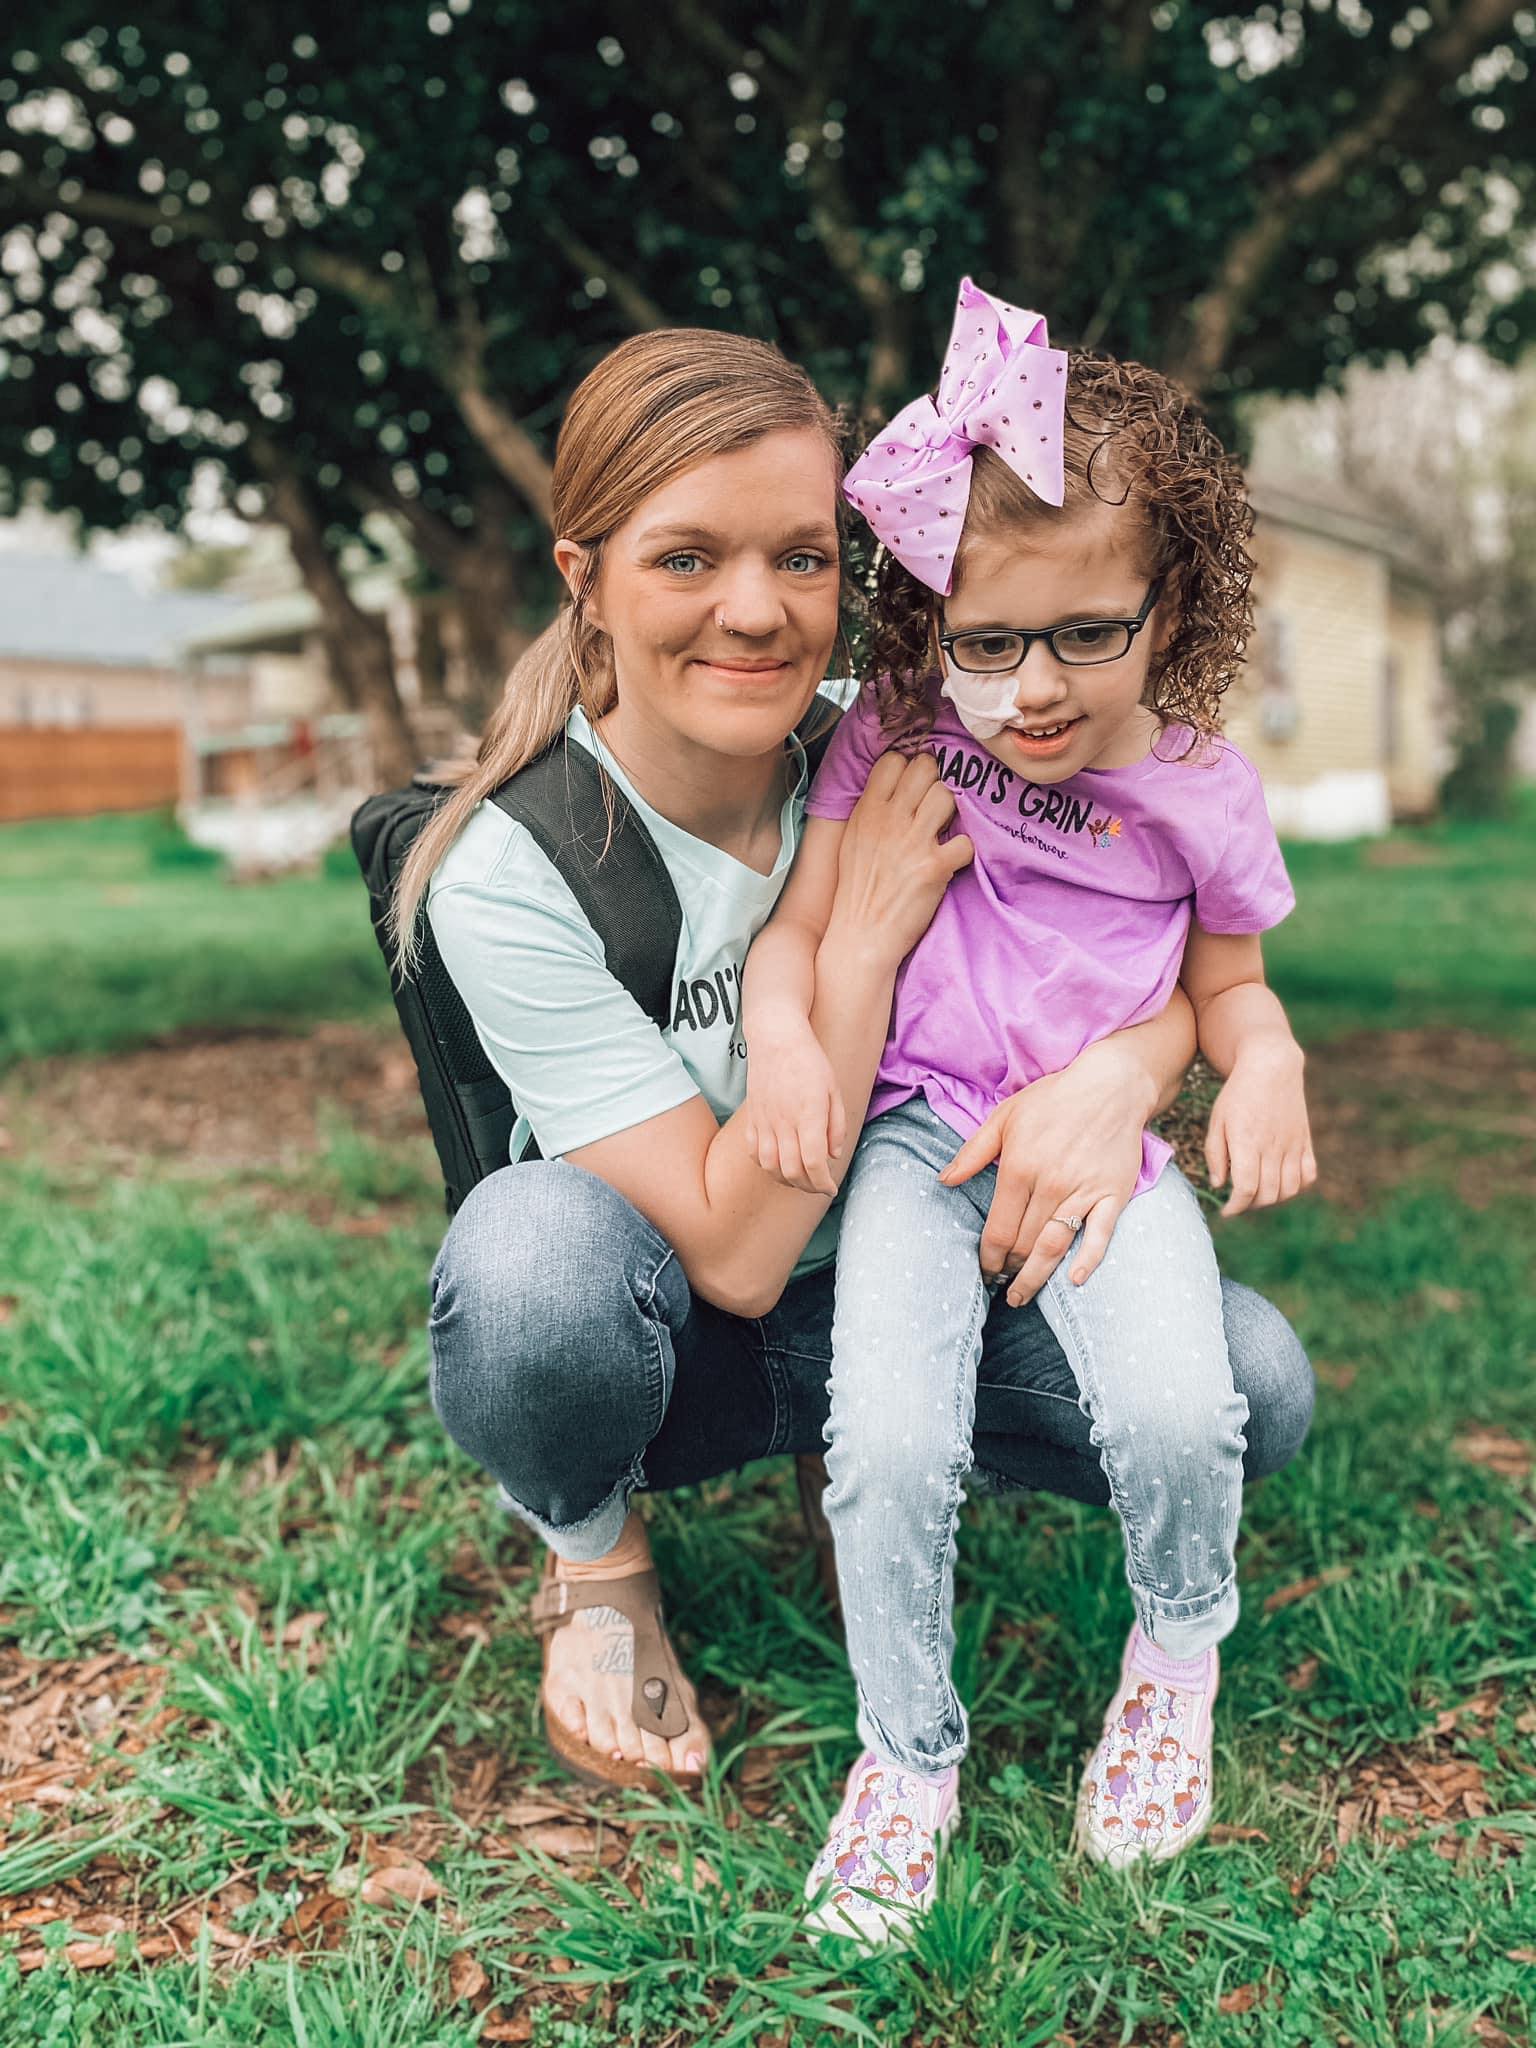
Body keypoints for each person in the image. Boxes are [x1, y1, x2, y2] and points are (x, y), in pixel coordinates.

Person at [393, 322, 1315, 1812]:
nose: (755, 610)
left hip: (920, 1253)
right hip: (683, 1320)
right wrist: (863, 951)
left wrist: (1124, 1079)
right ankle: (598, 1563)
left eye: (804, 558)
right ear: (587, 580)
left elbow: (1149, 957)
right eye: (686, 559)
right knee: (528, 1268)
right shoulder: (514, 871)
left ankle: (871, 1485)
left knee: (1249, 1384)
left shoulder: (928, 735)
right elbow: (742, 1256)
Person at [739, 278, 1316, 1936]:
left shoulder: (1200, 790)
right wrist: (788, 1046)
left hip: (1105, 1152)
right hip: (915, 1139)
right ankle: (906, 1761)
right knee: (889, 1445)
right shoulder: (896, 736)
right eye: (986, 642)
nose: (1035, 689)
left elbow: (1233, 990)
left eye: (1086, 634)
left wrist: (1267, 1061)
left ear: (1169, 603)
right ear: (931, 626)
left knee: (1183, 1413)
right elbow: (796, 938)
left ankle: (1176, 1660)